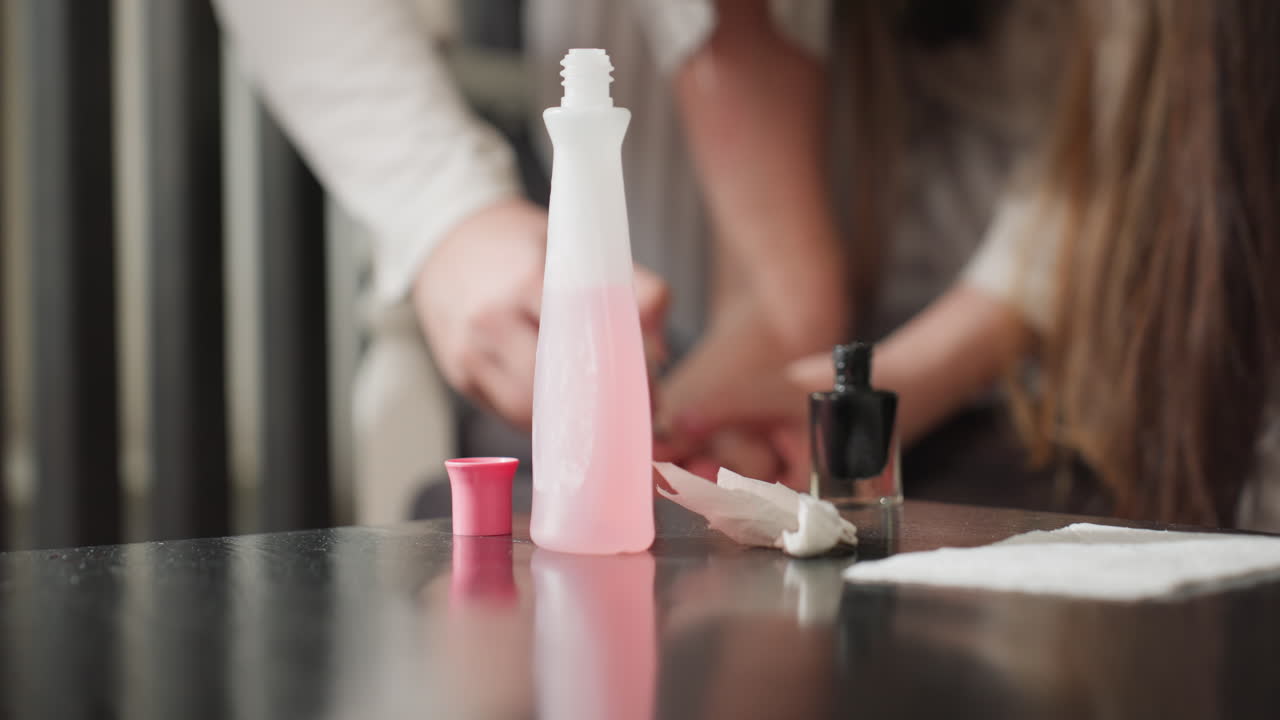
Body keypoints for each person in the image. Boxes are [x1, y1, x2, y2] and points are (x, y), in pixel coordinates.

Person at [214, 0, 1066, 519]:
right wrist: (448, 214)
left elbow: (1130, 131)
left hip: (1019, 390)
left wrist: (934, 363)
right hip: (728, 380)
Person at [677, 0, 1280, 531]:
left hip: (1111, 405)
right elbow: (776, 287)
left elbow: (1127, 147)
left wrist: (915, 374)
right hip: (936, 399)